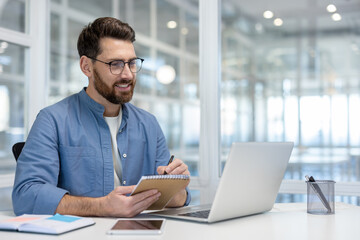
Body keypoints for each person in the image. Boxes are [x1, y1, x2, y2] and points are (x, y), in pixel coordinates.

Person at [12, 17, 191, 217]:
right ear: (86, 67)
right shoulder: (52, 120)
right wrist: (102, 206)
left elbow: (175, 199)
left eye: (131, 63)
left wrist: (178, 187)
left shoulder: (149, 124)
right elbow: (26, 197)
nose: (128, 74)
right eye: (115, 64)